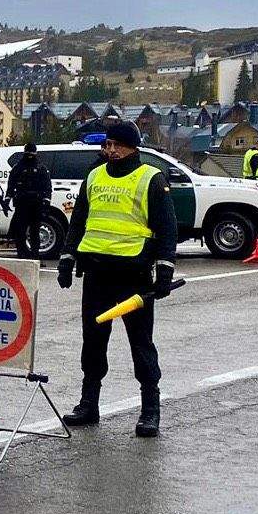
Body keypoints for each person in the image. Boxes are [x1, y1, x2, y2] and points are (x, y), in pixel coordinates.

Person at [57, 121, 177, 438]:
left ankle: (150, 410)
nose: (110, 150)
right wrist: (67, 258)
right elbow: (79, 220)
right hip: (96, 273)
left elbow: (167, 227)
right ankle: (89, 404)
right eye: (107, 145)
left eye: (117, 145)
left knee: (141, 345)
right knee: (93, 343)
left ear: (133, 148)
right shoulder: (94, 176)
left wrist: (165, 269)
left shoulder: (151, 178)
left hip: (133, 275)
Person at [6, 142, 52, 258]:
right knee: (21, 231)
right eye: (29, 153)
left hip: (35, 204)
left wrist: (46, 202)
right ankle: (22, 254)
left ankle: (34, 256)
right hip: (23, 203)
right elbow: (11, 185)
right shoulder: (19, 168)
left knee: (34, 231)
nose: (30, 155)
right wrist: (7, 199)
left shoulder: (40, 168)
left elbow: (47, 187)